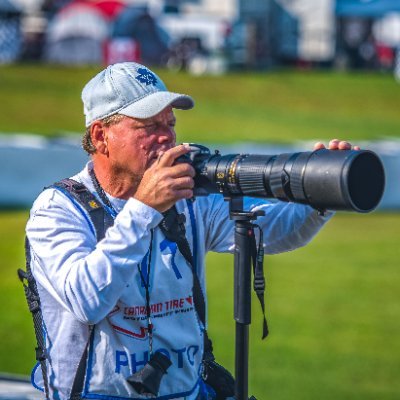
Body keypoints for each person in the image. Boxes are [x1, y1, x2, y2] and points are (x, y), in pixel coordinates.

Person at [25, 62, 357, 400]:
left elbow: (269, 231)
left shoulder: (186, 199)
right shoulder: (58, 208)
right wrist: (144, 209)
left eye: (170, 123)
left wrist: (320, 196)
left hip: (187, 392)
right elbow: (87, 301)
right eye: (149, 125)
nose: (166, 137)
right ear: (101, 136)